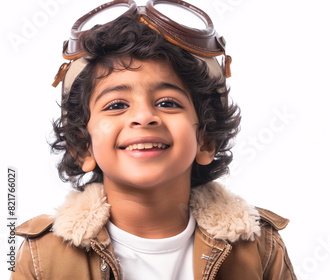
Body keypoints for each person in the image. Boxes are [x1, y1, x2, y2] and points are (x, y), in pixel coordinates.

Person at [11, 1, 296, 279]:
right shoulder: (43, 257)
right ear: (83, 146)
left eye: (168, 103)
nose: (144, 117)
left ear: (206, 139)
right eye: (115, 105)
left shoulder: (260, 247)